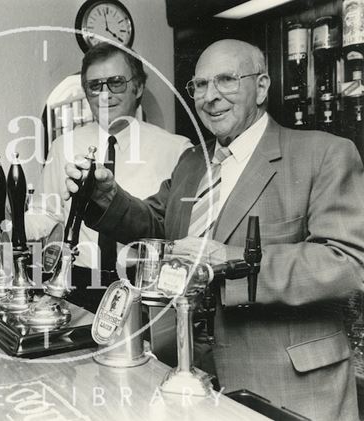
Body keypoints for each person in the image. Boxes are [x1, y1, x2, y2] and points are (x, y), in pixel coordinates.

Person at [65, 39, 364, 420]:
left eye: (226, 80)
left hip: (288, 385)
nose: (210, 96)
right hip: (190, 377)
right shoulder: (192, 162)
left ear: (261, 86)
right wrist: (107, 197)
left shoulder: (322, 154)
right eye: (200, 85)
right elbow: (158, 223)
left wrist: (230, 262)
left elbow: (348, 263)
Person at [28, 42, 190, 312]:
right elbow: (46, 214)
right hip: (78, 282)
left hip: (144, 287)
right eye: (95, 86)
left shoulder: (176, 150)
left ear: (138, 87)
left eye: (116, 83)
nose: (105, 95)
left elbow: (174, 231)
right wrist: (11, 226)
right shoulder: (62, 147)